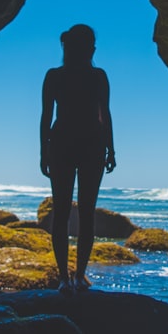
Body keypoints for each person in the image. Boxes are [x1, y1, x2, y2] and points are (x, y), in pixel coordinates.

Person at [40, 24, 116, 294]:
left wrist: (43, 151)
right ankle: (77, 277)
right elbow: (104, 115)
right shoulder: (97, 76)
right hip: (91, 145)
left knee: (62, 212)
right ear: (90, 49)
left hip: (62, 143)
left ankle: (65, 278)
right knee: (86, 213)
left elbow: (46, 118)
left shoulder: (54, 76)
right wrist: (111, 149)